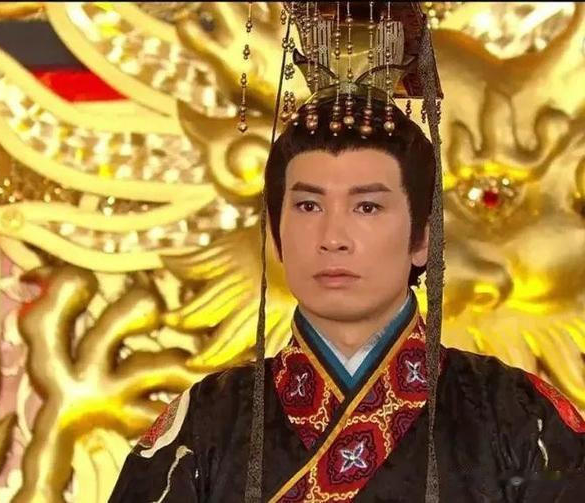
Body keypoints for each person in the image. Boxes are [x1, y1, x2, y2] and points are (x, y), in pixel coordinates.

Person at [109, 3, 585, 502]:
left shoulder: (519, 418)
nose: (333, 236)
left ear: (424, 238)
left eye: (367, 207)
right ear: (275, 234)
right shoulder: (204, 425)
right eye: (308, 205)